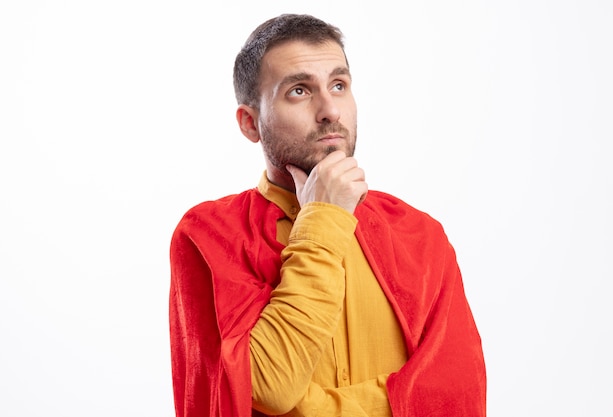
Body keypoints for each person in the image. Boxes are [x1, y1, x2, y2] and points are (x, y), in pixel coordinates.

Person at [169, 13, 486, 417]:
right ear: (251, 124)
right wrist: (323, 220)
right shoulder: (208, 235)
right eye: (299, 91)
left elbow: (457, 395)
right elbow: (270, 387)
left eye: (339, 85)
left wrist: (312, 409)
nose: (330, 110)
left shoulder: (419, 235)